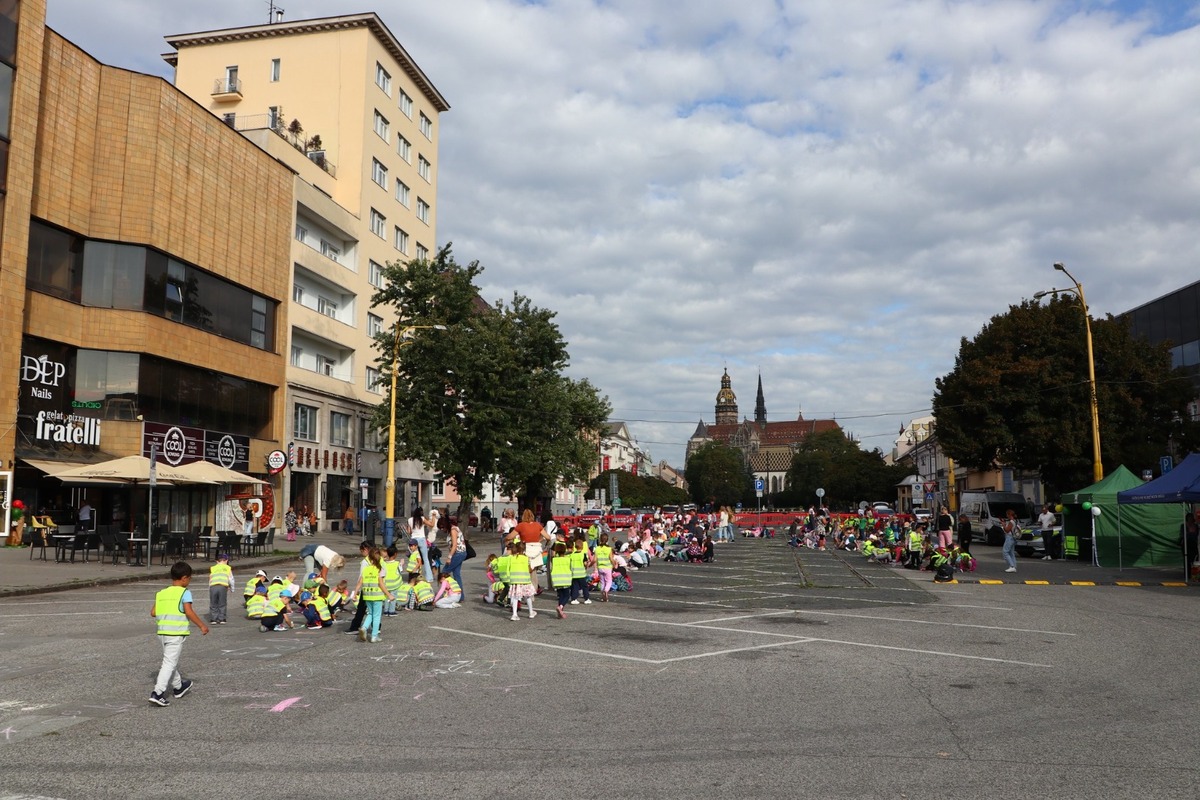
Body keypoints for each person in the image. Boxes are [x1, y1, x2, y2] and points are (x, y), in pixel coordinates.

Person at [148, 561, 209, 707]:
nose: (189, 581)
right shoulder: (184, 592)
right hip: (175, 633)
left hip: (162, 632)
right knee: (169, 662)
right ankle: (158, 692)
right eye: (189, 578)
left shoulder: (162, 593)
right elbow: (188, 611)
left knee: (170, 660)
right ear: (184, 578)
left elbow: (153, 612)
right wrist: (202, 625)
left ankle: (179, 686)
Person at [354, 544, 392, 642]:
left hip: (367, 595)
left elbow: (359, 582)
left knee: (370, 613)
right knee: (376, 616)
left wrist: (355, 594)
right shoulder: (380, 569)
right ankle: (374, 636)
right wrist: (389, 594)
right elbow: (381, 584)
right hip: (377, 596)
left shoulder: (366, 569)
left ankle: (364, 627)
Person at [513, 509, 548, 592]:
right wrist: (539, 540)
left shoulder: (520, 526)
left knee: (525, 571)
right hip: (536, 550)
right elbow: (547, 537)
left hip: (526, 550)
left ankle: (525, 591)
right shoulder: (537, 525)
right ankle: (534, 590)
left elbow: (510, 536)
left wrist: (506, 539)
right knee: (533, 572)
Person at [506, 541, 536, 620]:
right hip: (525, 580)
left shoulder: (511, 558)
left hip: (515, 580)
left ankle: (514, 614)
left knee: (516, 597)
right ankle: (531, 612)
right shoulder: (526, 558)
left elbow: (508, 569)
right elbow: (529, 569)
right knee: (528, 596)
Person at [207, 552, 234, 625]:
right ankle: (222, 619)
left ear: (217, 561)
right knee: (222, 602)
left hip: (213, 586)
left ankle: (213, 619)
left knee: (213, 602)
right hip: (223, 586)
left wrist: (209, 587)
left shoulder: (213, 568)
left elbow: (210, 578)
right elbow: (231, 579)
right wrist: (232, 588)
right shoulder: (227, 568)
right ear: (226, 560)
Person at [409, 508, 434, 582]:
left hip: (413, 540)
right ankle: (429, 578)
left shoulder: (410, 520)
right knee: (425, 559)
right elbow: (431, 525)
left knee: (414, 559)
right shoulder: (422, 519)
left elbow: (409, 531)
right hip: (422, 539)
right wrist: (433, 517)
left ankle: (413, 577)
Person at [444, 523, 469, 600]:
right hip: (458, 554)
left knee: (444, 572)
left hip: (458, 553)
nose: (442, 530)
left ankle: (445, 593)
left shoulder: (453, 530)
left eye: (442, 528)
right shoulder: (453, 529)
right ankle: (460, 596)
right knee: (456, 574)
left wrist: (449, 557)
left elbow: (454, 545)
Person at [549, 541, 573, 618]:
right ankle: (561, 607)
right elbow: (571, 568)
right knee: (566, 595)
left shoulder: (554, 559)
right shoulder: (568, 559)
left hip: (557, 580)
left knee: (561, 596)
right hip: (565, 579)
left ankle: (560, 611)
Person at [382, 545, 404, 616]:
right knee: (393, 598)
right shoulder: (397, 563)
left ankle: (386, 610)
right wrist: (401, 563)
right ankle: (391, 611)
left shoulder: (384, 564)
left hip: (386, 584)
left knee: (386, 597)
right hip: (394, 584)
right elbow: (400, 571)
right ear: (395, 554)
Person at [593, 533, 614, 602]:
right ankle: (606, 590)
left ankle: (603, 596)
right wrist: (615, 564)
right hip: (607, 567)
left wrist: (591, 565)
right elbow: (611, 559)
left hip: (600, 567)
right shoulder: (609, 549)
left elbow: (595, 559)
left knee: (602, 582)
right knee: (609, 581)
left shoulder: (597, 548)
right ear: (607, 540)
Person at [1001, 509, 1019, 573]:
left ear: (1009, 515)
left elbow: (1007, 530)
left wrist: (1003, 525)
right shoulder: (1015, 521)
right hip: (1013, 538)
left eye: (1007, 514)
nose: (1006, 516)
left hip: (1009, 537)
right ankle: (1014, 566)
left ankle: (1011, 566)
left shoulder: (1011, 522)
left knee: (1005, 551)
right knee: (1011, 553)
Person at [1182, 511, 1199, 578]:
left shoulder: (1196, 526)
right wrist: (1191, 534)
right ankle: (1187, 574)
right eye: (1189, 517)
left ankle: (1194, 573)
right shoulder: (1183, 526)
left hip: (1194, 544)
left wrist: (1190, 534)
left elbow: (1196, 534)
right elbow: (1184, 535)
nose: (1190, 519)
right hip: (1186, 544)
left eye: (1191, 517)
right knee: (1187, 559)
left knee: (1195, 559)